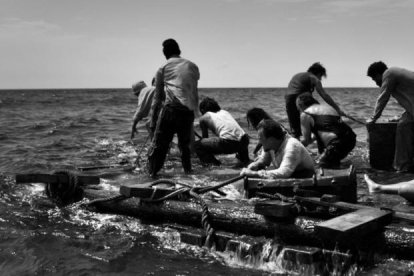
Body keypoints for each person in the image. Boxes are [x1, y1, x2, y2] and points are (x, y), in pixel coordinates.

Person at [147, 38, 200, 178]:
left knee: (160, 147)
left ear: (165, 53)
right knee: (185, 147)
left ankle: (152, 175)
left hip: (171, 111)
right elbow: (193, 91)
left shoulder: (162, 68)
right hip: (188, 112)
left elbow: (157, 98)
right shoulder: (193, 66)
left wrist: (153, 122)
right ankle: (189, 175)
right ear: (179, 50)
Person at [366, 61, 414, 173]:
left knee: (404, 126)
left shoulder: (389, 73)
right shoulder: (396, 73)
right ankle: (403, 165)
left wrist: (373, 118)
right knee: (403, 124)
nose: (375, 83)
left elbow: (383, 97)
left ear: (379, 74)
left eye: (374, 79)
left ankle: (402, 167)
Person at [286, 62, 345, 139]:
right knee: (322, 116)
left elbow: (294, 90)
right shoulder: (314, 78)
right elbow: (324, 95)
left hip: (288, 99)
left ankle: (298, 146)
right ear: (319, 73)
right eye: (321, 76)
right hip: (301, 98)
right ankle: (322, 139)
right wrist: (337, 109)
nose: (320, 79)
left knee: (295, 130)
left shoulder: (297, 75)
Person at [240, 119, 315, 179]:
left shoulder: (292, 146)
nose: (259, 142)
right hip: (290, 177)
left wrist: (254, 174)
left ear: (271, 139)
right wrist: (256, 164)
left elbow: (284, 173)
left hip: (305, 179)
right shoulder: (270, 144)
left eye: (261, 139)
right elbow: (265, 160)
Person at [297, 93, 356, 168]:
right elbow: (327, 130)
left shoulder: (305, 114)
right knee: (331, 159)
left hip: (336, 144)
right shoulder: (329, 108)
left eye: (298, 108)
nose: (299, 110)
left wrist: (294, 145)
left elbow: (306, 140)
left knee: (318, 165)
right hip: (351, 140)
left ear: (301, 105)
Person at [194, 97, 250, 167]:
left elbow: (204, 139)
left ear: (202, 110)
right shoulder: (225, 112)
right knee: (244, 161)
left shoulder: (204, 118)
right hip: (245, 140)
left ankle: (215, 165)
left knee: (197, 145)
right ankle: (245, 161)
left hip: (229, 143)